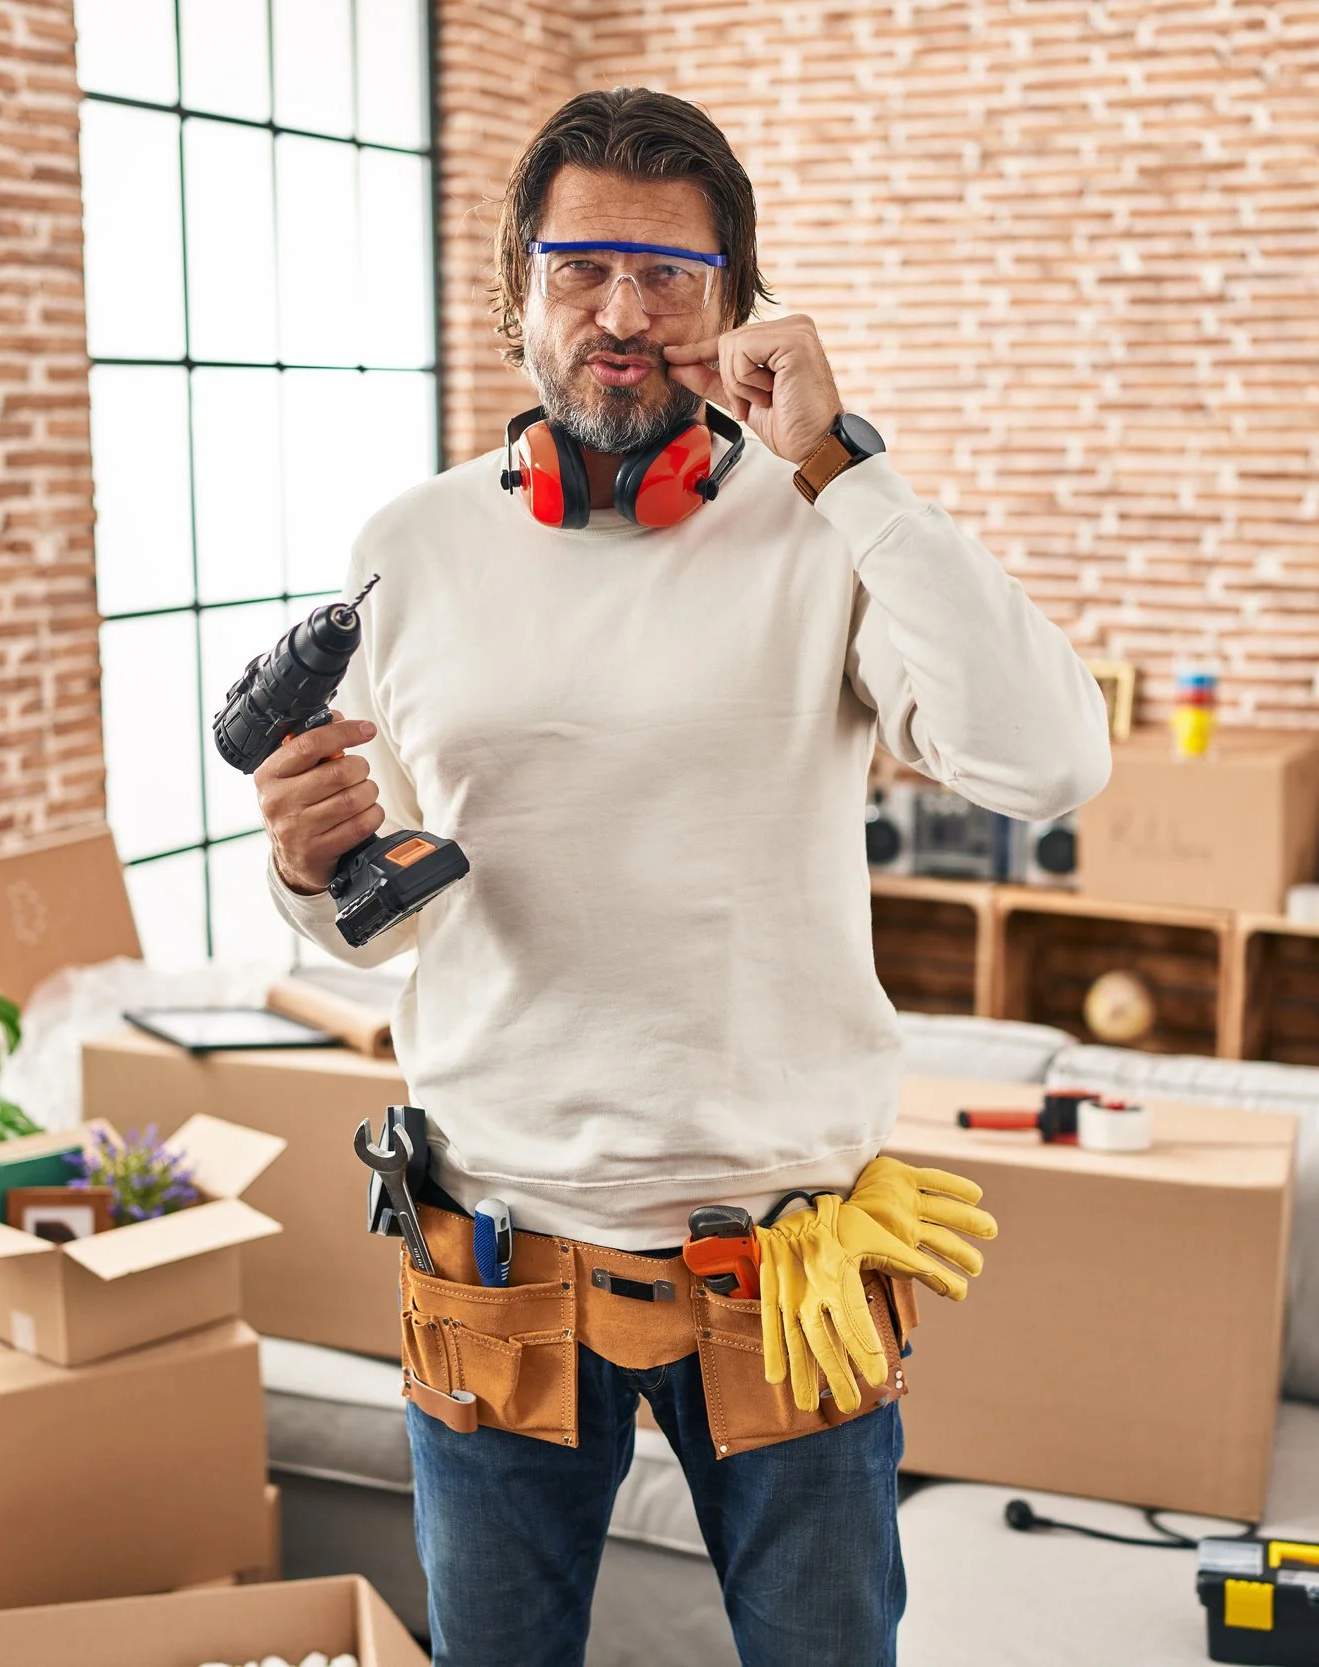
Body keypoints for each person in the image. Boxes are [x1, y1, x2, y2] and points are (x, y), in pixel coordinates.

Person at [257, 87, 1111, 1667]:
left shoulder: (824, 530)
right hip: (491, 1250)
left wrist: (849, 470)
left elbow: (1051, 762)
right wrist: (307, 870)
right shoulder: (413, 546)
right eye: (583, 269)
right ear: (518, 287)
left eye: (671, 278)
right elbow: (372, 922)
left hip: (784, 1266)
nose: (624, 315)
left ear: (739, 308)